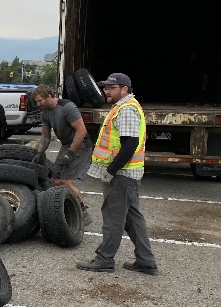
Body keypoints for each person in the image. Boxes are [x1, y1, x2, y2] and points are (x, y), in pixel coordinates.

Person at [76, 73, 158, 275]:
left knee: (113, 217)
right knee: (132, 218)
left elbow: (130, 144)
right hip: (128, 174)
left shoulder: (127, 109)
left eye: (111, 88)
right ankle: (146, 261)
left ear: (124, 89)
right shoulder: (123, 107)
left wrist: (111, 170)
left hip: (122, 174)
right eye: (105, 88)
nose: (106, 91)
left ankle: (104, 259)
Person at [32, 84, 93, 222]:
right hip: (66, 145)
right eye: (36, 101)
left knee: (65, 181)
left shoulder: (67, 107)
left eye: (40, 100)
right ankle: (68, 210)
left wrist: (70, 153)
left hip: (81, 145)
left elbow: (81, 131)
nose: (38, 104)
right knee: (54, 181)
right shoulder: (45, 112)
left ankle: (82, 212)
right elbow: (46, 137)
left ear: (49, 96)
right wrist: (39, 153)